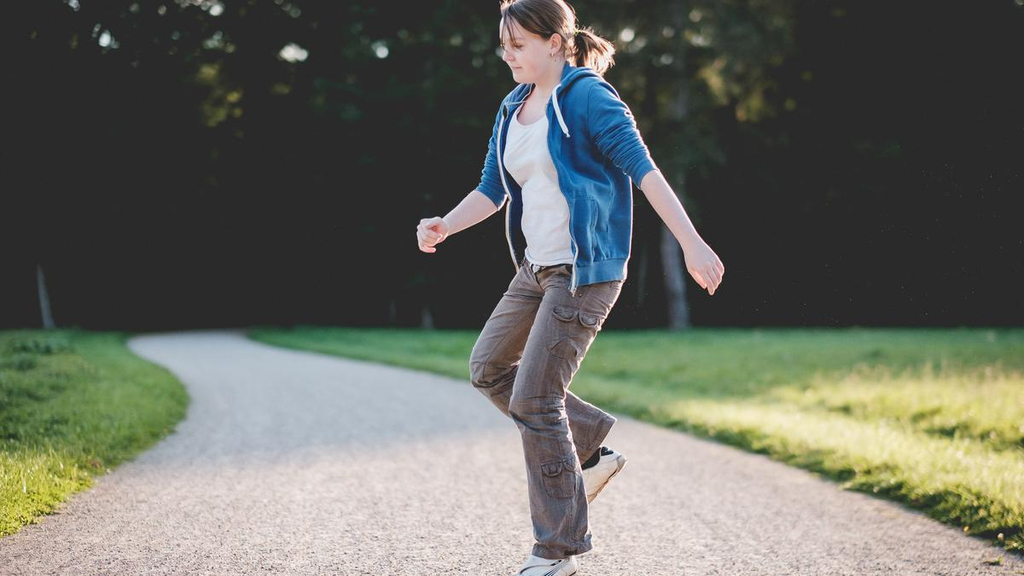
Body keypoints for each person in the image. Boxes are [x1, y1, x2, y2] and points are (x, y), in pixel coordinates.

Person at [415, 0, 724, 573]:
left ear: (555, 42)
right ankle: (589, 447)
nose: (506, 55)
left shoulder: (589, 98)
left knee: (535, 399)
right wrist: (445, 224)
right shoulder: (513, 106)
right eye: (503, 45)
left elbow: (645, 171)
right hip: (535, 270)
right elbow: (492, 188)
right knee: (487, 368)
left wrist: (691, 241)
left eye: (518, 44)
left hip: (585, 273)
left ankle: (557, 549)